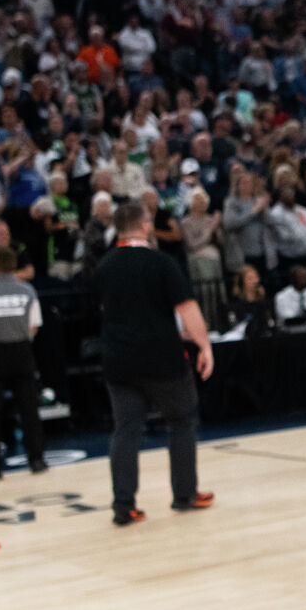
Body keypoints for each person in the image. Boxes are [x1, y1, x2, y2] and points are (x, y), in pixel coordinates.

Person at [95, 200, 215, 525]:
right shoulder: (162, 263)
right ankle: (185, 495)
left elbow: (103, 311)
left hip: (119, 360)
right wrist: (204, 345)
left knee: (126, 430)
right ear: (146, 226)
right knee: (180, 420)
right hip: (162, 357)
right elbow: (187, 308)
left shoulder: (103, 267)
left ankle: (124, 506)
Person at [0, 245, 48, 480]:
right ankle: (37, 460)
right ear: (14, 265)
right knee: (29, 409)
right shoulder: (27, 291)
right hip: (21, 351)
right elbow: (34, 326)